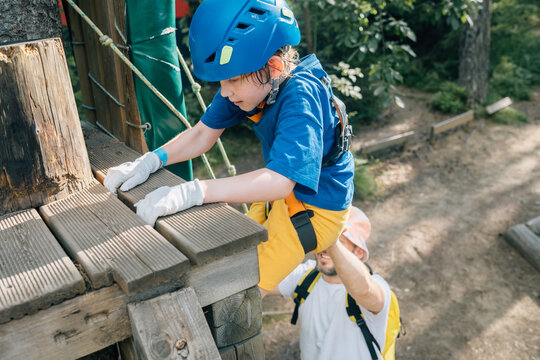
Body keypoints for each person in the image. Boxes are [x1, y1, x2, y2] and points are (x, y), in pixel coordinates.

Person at [103, 0, 354, 295]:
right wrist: (150, 161)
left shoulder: (301, 98)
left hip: (315, 210)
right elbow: (201, 135)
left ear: (274, 67)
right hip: (280, 194)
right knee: (227, 251)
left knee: (237, 288)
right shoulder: (250, 79)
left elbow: (280, 182)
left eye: (232, 80)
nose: (225, 91)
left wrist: (196, 191)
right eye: (221, 81)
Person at [269, 207, 392, 360]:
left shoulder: (377, 285)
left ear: (359, 253)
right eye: (321, 239)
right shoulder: (306, 276)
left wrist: (330, 237)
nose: (323, 248)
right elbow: (259, 281)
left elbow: (365, 291)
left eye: (340, 241)